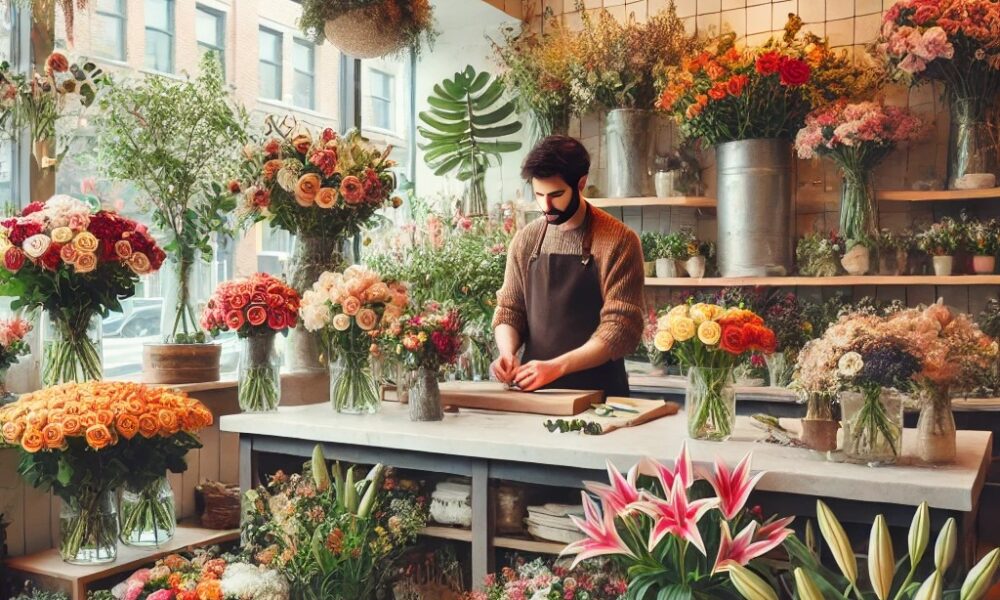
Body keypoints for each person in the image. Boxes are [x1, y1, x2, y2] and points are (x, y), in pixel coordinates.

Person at [491, 136, 645, 397]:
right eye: (539, 195)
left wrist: (557, 367)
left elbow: (619, 328)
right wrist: (507, 354)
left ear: (581, 183)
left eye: (556, 195)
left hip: (600, 397)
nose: (546, 206)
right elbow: (510, 309)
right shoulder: (526, 239)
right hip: (536, 394)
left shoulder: (619, 241)